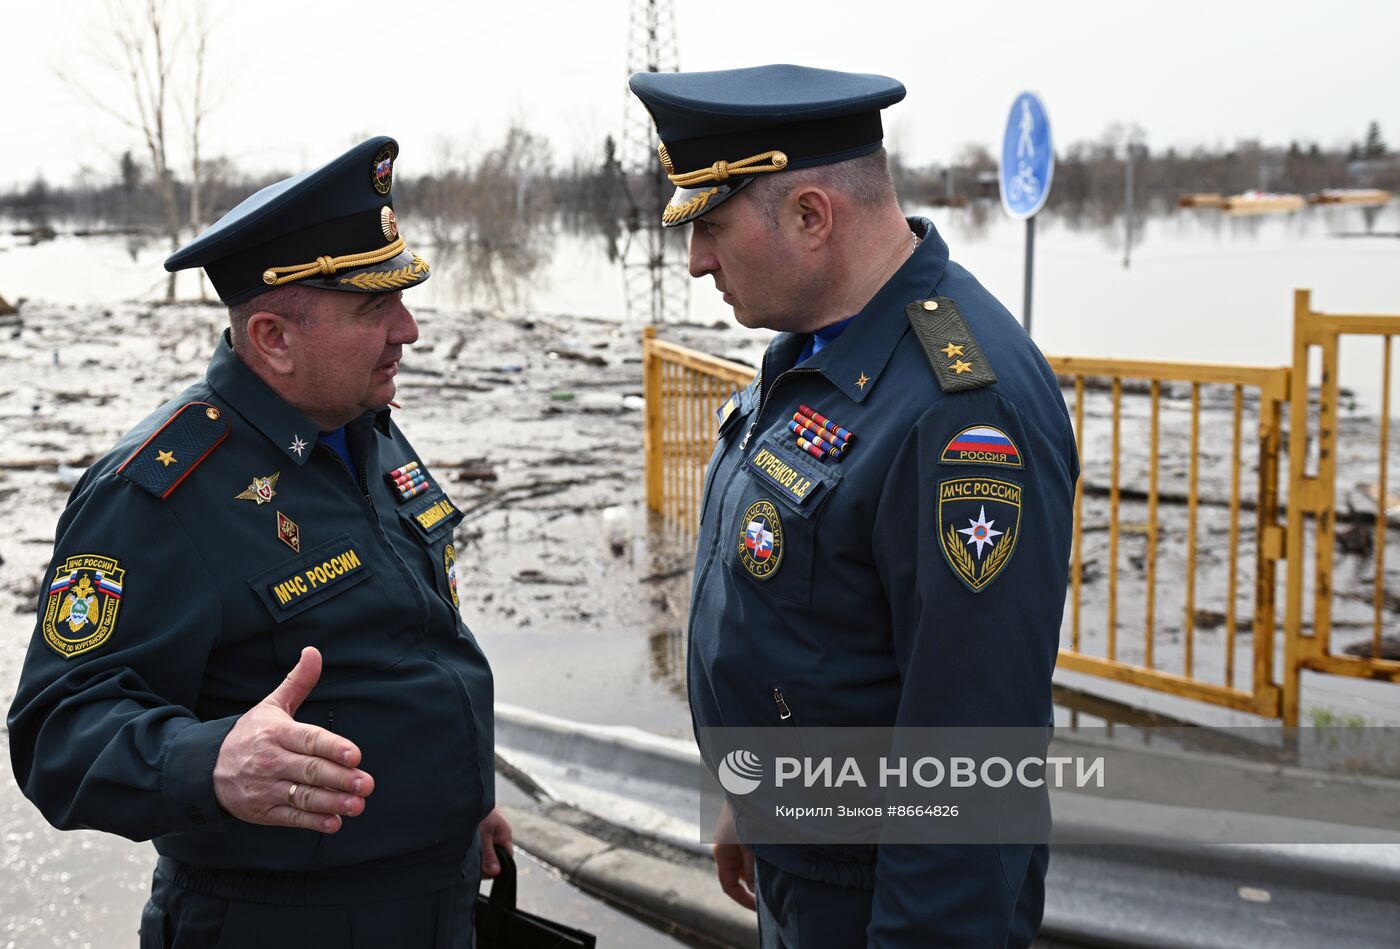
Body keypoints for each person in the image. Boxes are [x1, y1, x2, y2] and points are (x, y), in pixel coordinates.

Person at [7, 136, 509, 947]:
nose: (408, 330)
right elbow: (56, 731)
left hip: (434, 895)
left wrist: (459, 798)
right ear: (273, 336)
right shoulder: (157, 492)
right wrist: (211, 761)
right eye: (374, 308)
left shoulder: (364, 429)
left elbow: (400, 640)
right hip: (280, 922)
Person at [629, 65, 1078, 947]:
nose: (696, 261)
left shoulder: (960, 409)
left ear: (810, 216)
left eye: (712, 227)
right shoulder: (818, 343)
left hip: (879, 899)